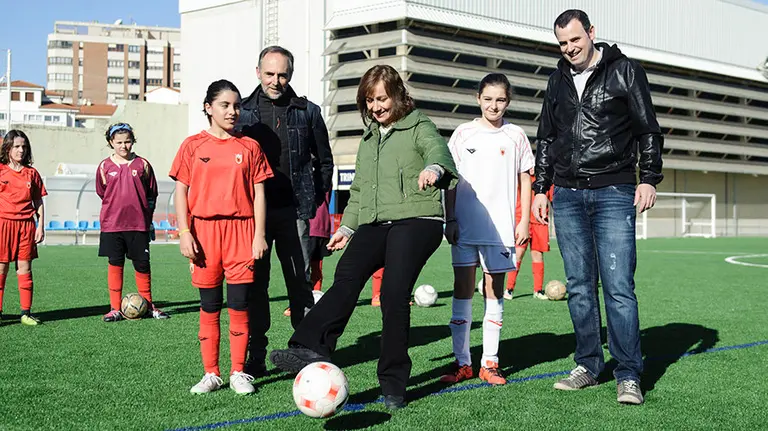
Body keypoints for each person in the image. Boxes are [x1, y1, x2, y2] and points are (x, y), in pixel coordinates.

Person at [269, 64, 458, 410]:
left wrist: (434, 169)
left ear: (398, 95)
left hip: (418, 219)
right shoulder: (370, 138)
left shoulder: (419, 124)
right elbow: (359, 191)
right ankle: (308, 347)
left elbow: (438, 151)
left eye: (382, 98)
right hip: (376, 221)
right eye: (369, 100)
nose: (375, 107)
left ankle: (394, 383)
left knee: (393, 293)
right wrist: (347, 227)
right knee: (346, 276)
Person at [532, 10, 663, 405]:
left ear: (591, 33)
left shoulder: (625, 71)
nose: (569, 48)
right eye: (562, 43)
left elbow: (648, 129)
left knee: (619, 288)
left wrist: (648, 177)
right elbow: (546, 138)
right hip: (567, 195)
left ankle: (628, 373)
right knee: (578, 288)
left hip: (614, 191)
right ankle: (588, 364)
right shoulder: (556, 80)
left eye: (575, 39)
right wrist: (541, 188)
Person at [169, 79, 273, 395]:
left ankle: (238, 372)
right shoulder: (192, 146)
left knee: (240, 305)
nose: (233, 111)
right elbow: (181, 191)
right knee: (210, 305)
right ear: (208, 108)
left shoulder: (250, 147)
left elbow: (258, 193)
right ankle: (211, 373)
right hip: (203, 232)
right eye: (225, 105)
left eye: (237, 105)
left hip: (241, 232)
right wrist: (184, 233)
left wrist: (259, 235)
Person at [235, 45, 334, 376]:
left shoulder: (308, 111)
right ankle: (256, 354)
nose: (276, 80)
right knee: (256, 285)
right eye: (270, 73)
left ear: (290, 74)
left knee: (300, 284)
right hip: (255, 217)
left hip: (296, 213)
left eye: (283, 74)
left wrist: (316, 198)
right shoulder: (242, 112)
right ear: (258, 72)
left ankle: (303, 350)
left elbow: (324, 160)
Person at [440, 73, 534, 386]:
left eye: (501, 100)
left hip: (501, 230)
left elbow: (525, 179)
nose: (494, 106)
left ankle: (489, 363)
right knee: (463, 291)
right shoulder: (463, 134)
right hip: (465, 225)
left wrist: (522, 221)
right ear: (478, 98)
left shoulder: (516, 135)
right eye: (489, 99)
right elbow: (450, 180)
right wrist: (450, 218)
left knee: (494, 294)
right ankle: (462, 363)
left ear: (508, 101)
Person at [95, 123, 169, 322]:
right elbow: (102, 192)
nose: (123, 146)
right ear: (111, 142)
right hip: (112, 225)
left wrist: (148, 219)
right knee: (115, 263)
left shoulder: (142, 165)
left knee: (142, 265)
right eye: (118, 142)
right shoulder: (104, 166)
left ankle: (149, 306)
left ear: (133, 141)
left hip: (138, 224)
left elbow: (151, 193)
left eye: (127, 141)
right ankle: (114, 308)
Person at [0, 130, 46, 326]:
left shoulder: (32, 173)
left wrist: (40, 226)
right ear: (8, 148)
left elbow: (38, 201)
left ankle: (26, 313)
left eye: (24, 147)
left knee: (25, 268)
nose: (21, 150)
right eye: (17, 146)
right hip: (3, 224)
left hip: (27, 226)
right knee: (1, 268)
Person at [504, 172, 553, 301]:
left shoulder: (545, 179)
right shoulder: (519, 177)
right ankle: (509, 288)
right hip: (522, 221)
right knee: (518, 253)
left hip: (540, 222)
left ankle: (538, 290)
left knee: (537, 254)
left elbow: (554, 197)